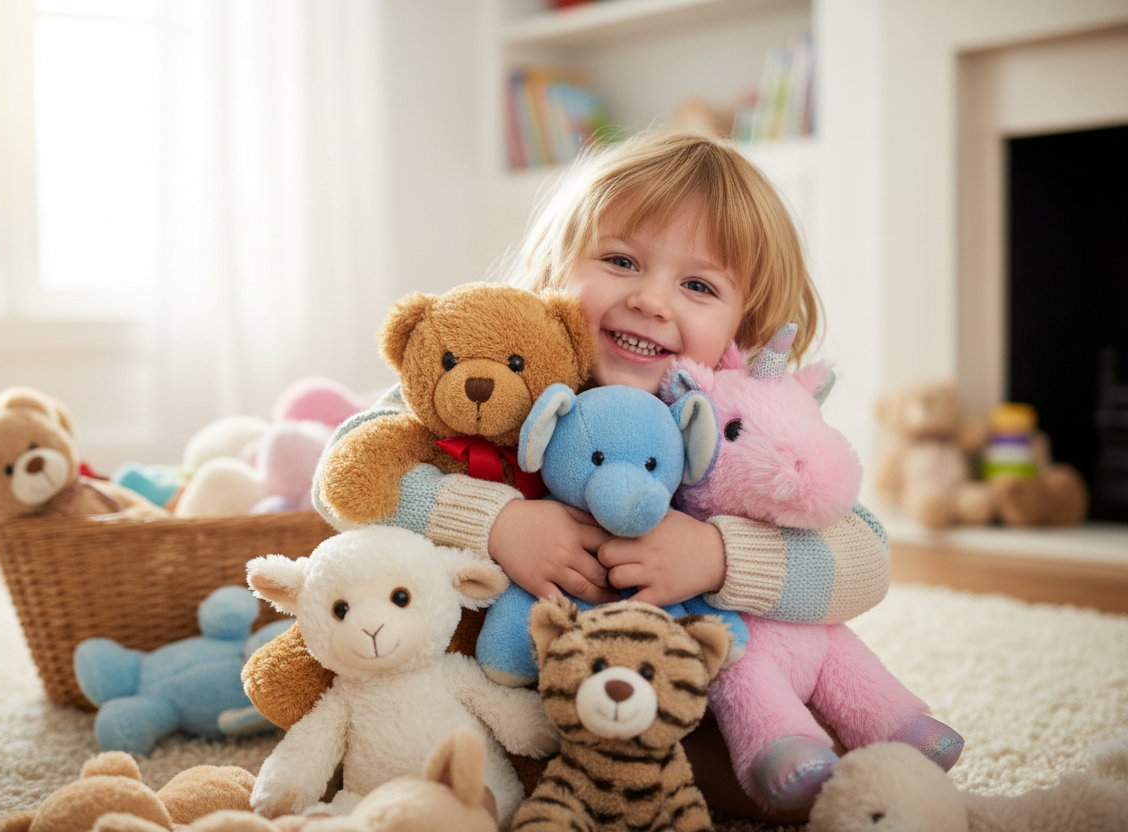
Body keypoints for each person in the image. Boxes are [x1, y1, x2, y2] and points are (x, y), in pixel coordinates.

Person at [301, 128, 947, 818]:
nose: (652, 300)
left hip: (659, 688)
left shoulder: (734, 419)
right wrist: (500, 523)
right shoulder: (510, 367)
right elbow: (346, 469)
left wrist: (718, 555)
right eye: (621, 260)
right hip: (495, 684)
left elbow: (866, 557)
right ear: (555, 269)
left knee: (754, 750)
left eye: (698, 285)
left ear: (744, 329)